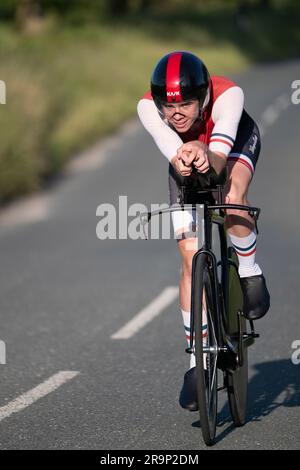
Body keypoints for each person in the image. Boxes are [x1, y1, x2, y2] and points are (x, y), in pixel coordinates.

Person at [137, 51, 270, 411]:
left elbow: (219, 162)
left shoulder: (230, 96)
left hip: (231, 144)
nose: (175, 113)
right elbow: (175, 156)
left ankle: (248, 270)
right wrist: (185, 152)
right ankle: (197, 361)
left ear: (204, 98)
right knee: (188, 254)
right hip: (187, 158)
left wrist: (201, 148)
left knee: (231, 197)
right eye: (168, 105)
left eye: (186, 104)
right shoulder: (148, 108)